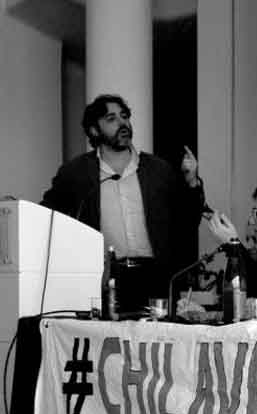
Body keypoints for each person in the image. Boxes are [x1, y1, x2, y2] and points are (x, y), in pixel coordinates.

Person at [42, 94, 206, 311]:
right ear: (94, 130)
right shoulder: (76, 173)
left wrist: (192, 182)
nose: (123, 123)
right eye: (111, 119)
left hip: (156, 278)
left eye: (124, 116)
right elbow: (47, 217)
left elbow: (188, 221)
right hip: (105, 279)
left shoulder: (158, 170)